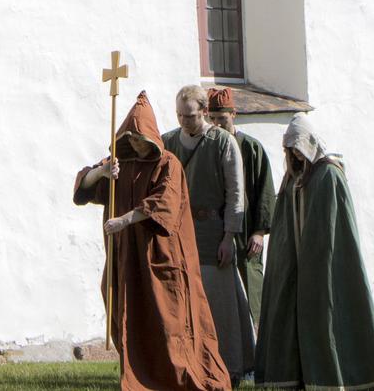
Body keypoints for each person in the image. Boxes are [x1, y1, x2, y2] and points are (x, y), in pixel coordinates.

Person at [74, 91, 232, 391]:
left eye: (138, 138)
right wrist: (101, 172)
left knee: (168, 319)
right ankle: (140, 374)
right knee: (125, 315)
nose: (134, 144)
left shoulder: (167, 164)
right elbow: (83, 186)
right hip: (125, 260)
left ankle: (178, 377)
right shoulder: (118, 164)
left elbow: (163, 204)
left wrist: (125, 219)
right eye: (129, 138)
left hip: (159, 258)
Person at [254, 115, 374, 391]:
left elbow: (335, 228)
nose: (294, 154)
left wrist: (317, 260)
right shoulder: (292, 180)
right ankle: (296, 377)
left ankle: (336, 377)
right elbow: (284, 227)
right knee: (289, 318)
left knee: (327, 317)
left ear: (310, 143)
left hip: (323, 266)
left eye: (298, 147)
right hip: (295, 269)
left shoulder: (329, 175)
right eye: (289, 149)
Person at [162, 85, 255, 381]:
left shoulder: (223, 142)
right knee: (183, 305)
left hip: (213, 235)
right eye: (179, 115)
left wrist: (229, 236)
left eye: (189, 115)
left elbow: (235, 192)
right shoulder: (167, 142)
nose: (183, 121)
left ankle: (231, 367)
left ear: (203, 111)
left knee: (220, 305)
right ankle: (189, 366)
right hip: (179, 235)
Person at [206, 88, 275, 328]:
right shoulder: (207, 147)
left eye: (221, 119)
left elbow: (264, 191)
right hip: (216, 231)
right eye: (212, 119)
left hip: (247, 234)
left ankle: (258, 343)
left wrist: (259, 231)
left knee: (251, 290)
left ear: (233, 114)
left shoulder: (251, 148)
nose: (216, 124)